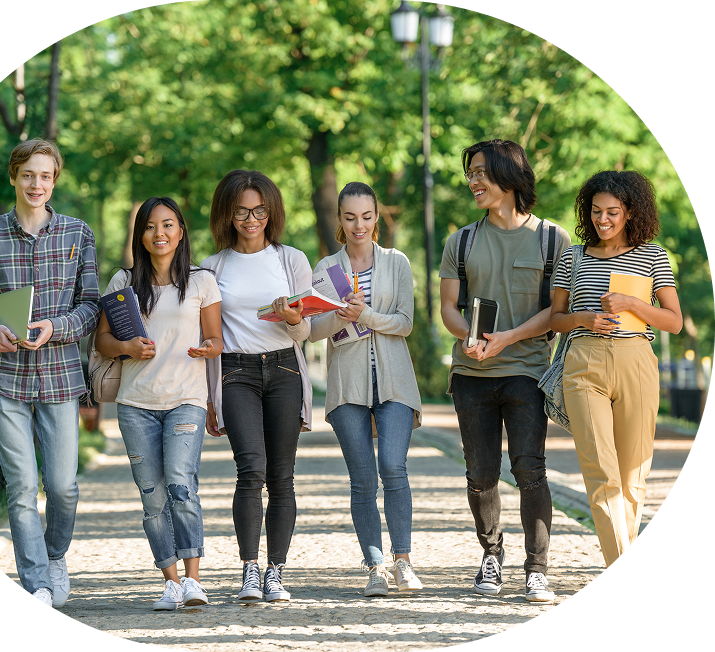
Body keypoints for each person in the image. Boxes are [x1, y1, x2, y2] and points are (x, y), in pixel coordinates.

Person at [0, 139, 100, 607]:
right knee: (20, 485)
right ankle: (35, 579)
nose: (37, 184)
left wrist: (57, 327)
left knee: (62, 486)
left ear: (55, 180)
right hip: (3, 375)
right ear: (14, 176)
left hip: (58, 375)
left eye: (46, 176)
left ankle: (55, 557)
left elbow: (91, 306)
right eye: (29, 175)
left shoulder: (78, 233)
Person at [438, 139, 570, 602]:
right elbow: (448, 308)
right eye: (470, 173)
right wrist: (468, 339)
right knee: (481, 473)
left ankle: (537, 569)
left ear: (509, 177)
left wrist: (508, 339)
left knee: (530, 469)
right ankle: (491, 557)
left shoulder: (553, 239)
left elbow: (556, 313)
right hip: (471, 375)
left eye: (481, 172)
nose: (473, 181)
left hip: (527, 371)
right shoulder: (462, 239)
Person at [95, 196, 223, 610]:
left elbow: (216, 339)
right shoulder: (123, 282)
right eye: (150, 227)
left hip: (187, 398)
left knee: (181, 485)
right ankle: (169, 580)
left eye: (167, 225)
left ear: (181, 231)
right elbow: (101, 342)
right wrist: (128, 346)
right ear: (141, 236)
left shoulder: (202, 281)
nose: (159, 233)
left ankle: (193, 580)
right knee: (152, 495)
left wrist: (208, 348)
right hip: (136, 404)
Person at [550, 171, 682, 568]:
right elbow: (555, 317)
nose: (602, 220)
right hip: (583, 363)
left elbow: (673, 321)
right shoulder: (572, 256)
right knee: (600, 470)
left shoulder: (653, 255)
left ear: (630, 212)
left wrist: (632, 304)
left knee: (633, 477)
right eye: (595, 212)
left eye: (612, 212)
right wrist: (583, 318)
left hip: (637, 361)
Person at [201, 169, 313, 603]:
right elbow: (208, 337)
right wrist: (209, 398)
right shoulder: (212, 268)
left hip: (284, 370)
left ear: (271, 211)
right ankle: (249, 570)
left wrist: (292, 318)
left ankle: (275, 573)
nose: (251, 219)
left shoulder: (291, 260)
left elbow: (305, 332)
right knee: (251, 470)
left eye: (259, 210)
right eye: (241, 210)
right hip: (236, 373)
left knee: (282, 476)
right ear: (227, 214)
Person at [309, 182, 423, 597]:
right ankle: (375, 566)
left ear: (377, 217)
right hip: (347, 387)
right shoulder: (325, 269)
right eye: (351, 217)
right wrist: (341, 316)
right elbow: (312, 329)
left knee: (393, 467)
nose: (360, 225)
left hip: (395, 382)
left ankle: (404, 562)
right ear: (340, 219)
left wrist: (367, 314)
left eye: (367, 216)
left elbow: (406, 322)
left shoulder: (397, 263)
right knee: (362, 480)